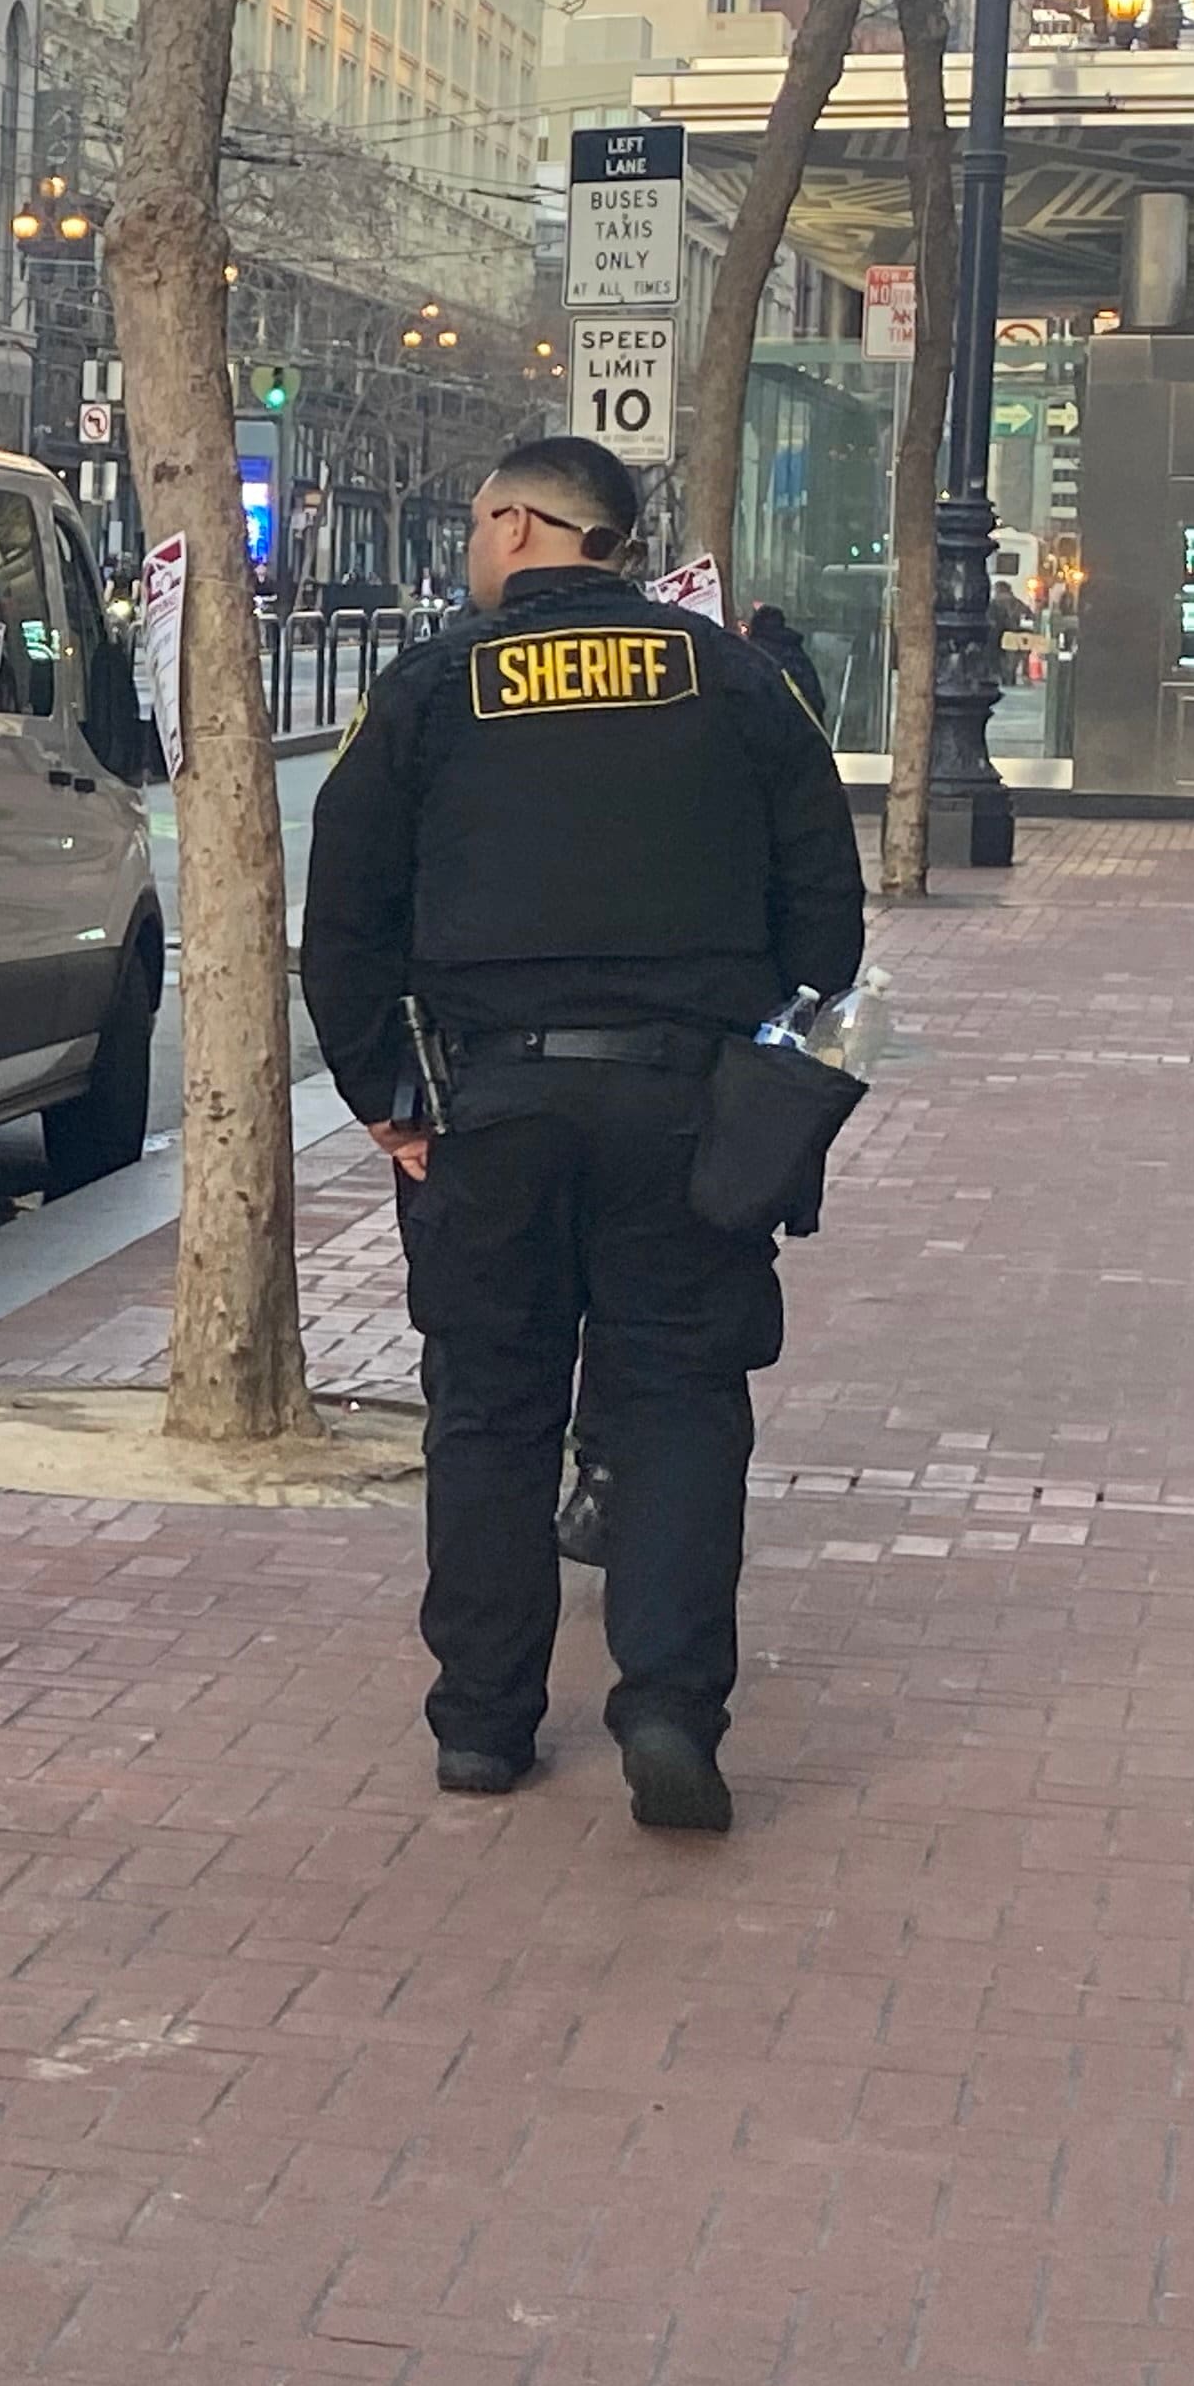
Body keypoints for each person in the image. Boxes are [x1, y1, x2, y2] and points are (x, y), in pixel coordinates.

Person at [302, 437, 865, 1834]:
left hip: (486, 1107)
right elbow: (827, 919)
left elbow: (347, 918)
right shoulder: (738, 680)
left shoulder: (430, 687)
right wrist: (763, 1072)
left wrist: (385, 1100)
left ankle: (482, 1723)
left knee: (490, 1407)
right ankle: (669, 1706)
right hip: (686, 1111)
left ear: (513, 524)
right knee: (679, 1400)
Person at [741, 603, 830, 736]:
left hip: (770, 731)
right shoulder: (796, 652)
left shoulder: (752, 654)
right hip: (804, 731)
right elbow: (815, 697)